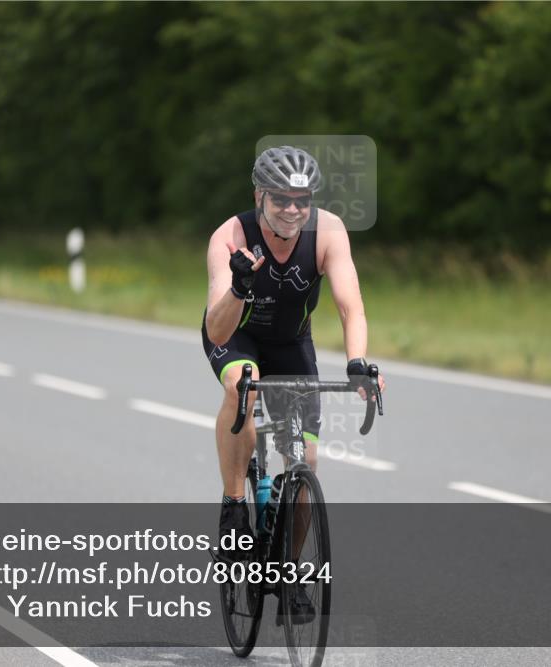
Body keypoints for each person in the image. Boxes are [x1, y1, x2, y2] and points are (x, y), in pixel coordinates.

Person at [201, 145, 386, 621]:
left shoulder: (327, 232)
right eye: (281, 198)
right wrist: (241, 286)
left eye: (301, 199)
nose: (292, 209)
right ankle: (234, 507)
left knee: (307, 459)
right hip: (235, 336)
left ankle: (287, 572)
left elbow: (351, 305)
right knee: (242, 383)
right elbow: (217, 329)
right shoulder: (230, 236)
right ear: (259, 195)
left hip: (291, 342)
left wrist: (358, 363)